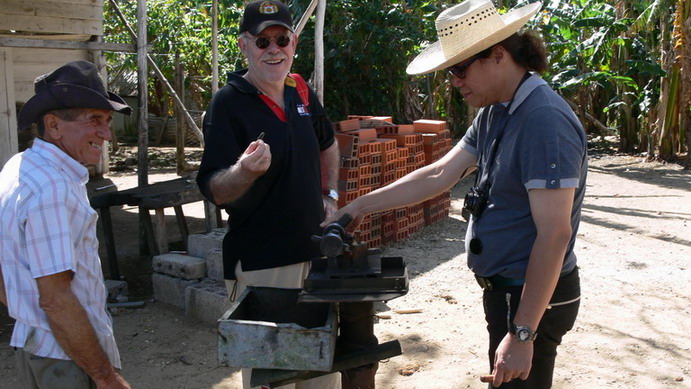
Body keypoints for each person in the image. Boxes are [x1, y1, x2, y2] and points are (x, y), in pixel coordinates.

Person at [324, 1, 587, 388]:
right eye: (451, 71)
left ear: (498, 55)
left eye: (460, 69)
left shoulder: (543, 121)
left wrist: (524, 333)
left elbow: (555, 234)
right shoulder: (499, 110)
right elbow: (441, 172)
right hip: (510, 291)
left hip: (532, 296)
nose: (455, 81)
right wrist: (361, 205)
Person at [196, 1, 340, 388]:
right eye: (263, 41)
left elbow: (328, 143)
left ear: (294, 43)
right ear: (245, 46)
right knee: (271, 375)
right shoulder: (228, 103)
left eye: (282, 39)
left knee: (322, 371)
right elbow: (214, 189)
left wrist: (331, 193)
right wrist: (243, 171)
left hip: (315, 254)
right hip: (264, 263)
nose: (274, 49)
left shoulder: (301, 91)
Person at [0, 60, 132, 388]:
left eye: (107, 121)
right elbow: (56, 299)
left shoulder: (20, 166)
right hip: (65, 358)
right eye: (94, 120)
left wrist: (25, 307)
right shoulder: (52, 188)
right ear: (54, 125)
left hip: (37, 345)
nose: (106, 133)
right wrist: (105, 377)